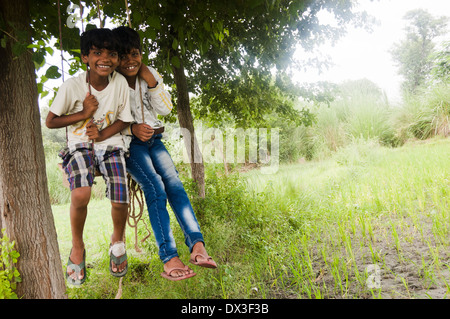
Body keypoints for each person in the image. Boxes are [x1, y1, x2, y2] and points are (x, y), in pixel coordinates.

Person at [112, 26, 217, 281]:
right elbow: (103, 120)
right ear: (115, 58)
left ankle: (197, 245)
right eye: (123, 56)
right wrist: (131, 127)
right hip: (129, 145)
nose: (130, 61)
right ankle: (169, 256)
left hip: (156, 141)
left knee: (175, 185)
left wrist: (152, 81)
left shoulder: (149, 75)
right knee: (156, 187)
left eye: (134, 54)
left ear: (141, 54)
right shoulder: (109, 82)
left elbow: (167, 109)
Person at [46, 28, 134, 285]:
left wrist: (103, 134)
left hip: (111, 144)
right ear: (85, 57)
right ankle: (77, 247)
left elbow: (125, 119)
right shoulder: (72, 86)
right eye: (97, 52)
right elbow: (51, 121)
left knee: (120, 197)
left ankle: (118, 240)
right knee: (81, 193)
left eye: (111, 53)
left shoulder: (119, 83)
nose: (104, 58)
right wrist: (84, 113)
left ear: (117, 59)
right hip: (79, 144)